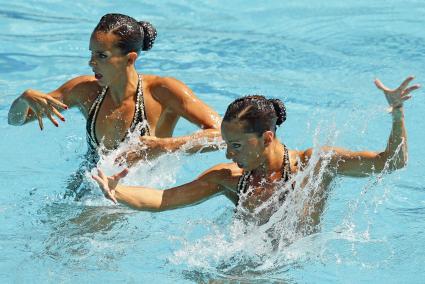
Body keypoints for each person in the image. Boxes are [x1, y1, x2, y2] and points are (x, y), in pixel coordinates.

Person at [92, 76, 419, 227]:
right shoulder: (229, 179)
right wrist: (117, 191)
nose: (228, 156)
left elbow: (392, 162)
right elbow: (165, 199)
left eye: (235, 146)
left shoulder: (318, 165)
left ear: (266, 138)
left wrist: (398, 115)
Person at [7, 14, 221, 198]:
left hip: (139, 196)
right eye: (91, 53)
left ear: (130, 59)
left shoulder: (162, 92)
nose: (91, 63)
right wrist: (23, 99)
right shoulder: (85, 91)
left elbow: (223, 135)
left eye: (102, 56)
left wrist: (165, 146)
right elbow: (15, 121)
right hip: (87, 190)